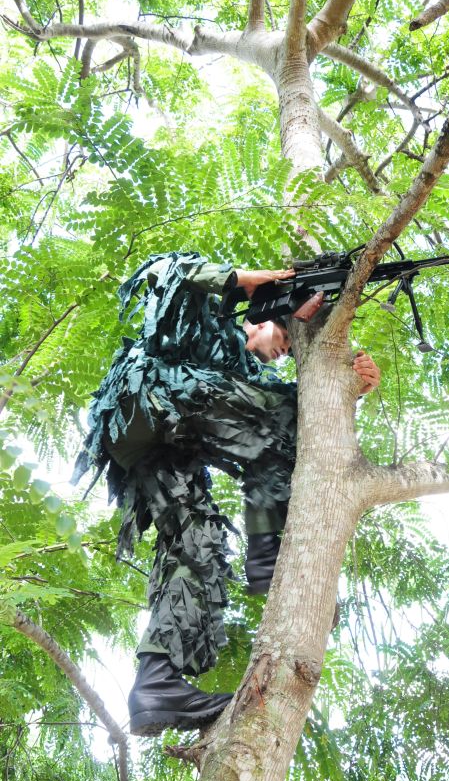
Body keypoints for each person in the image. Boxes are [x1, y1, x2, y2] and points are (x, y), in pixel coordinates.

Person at [73, 253, 380, 736]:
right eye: (281, 332)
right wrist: (242, 280)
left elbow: (289, 420)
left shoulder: (248, 380)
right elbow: (163, 269)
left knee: (199, 546)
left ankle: (156, 685)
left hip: (160, 451)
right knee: (281, 415)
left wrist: (350, 387)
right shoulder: (216, 320)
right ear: (258, 320)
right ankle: (268, 553)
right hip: (150, 398)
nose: (283, 346)